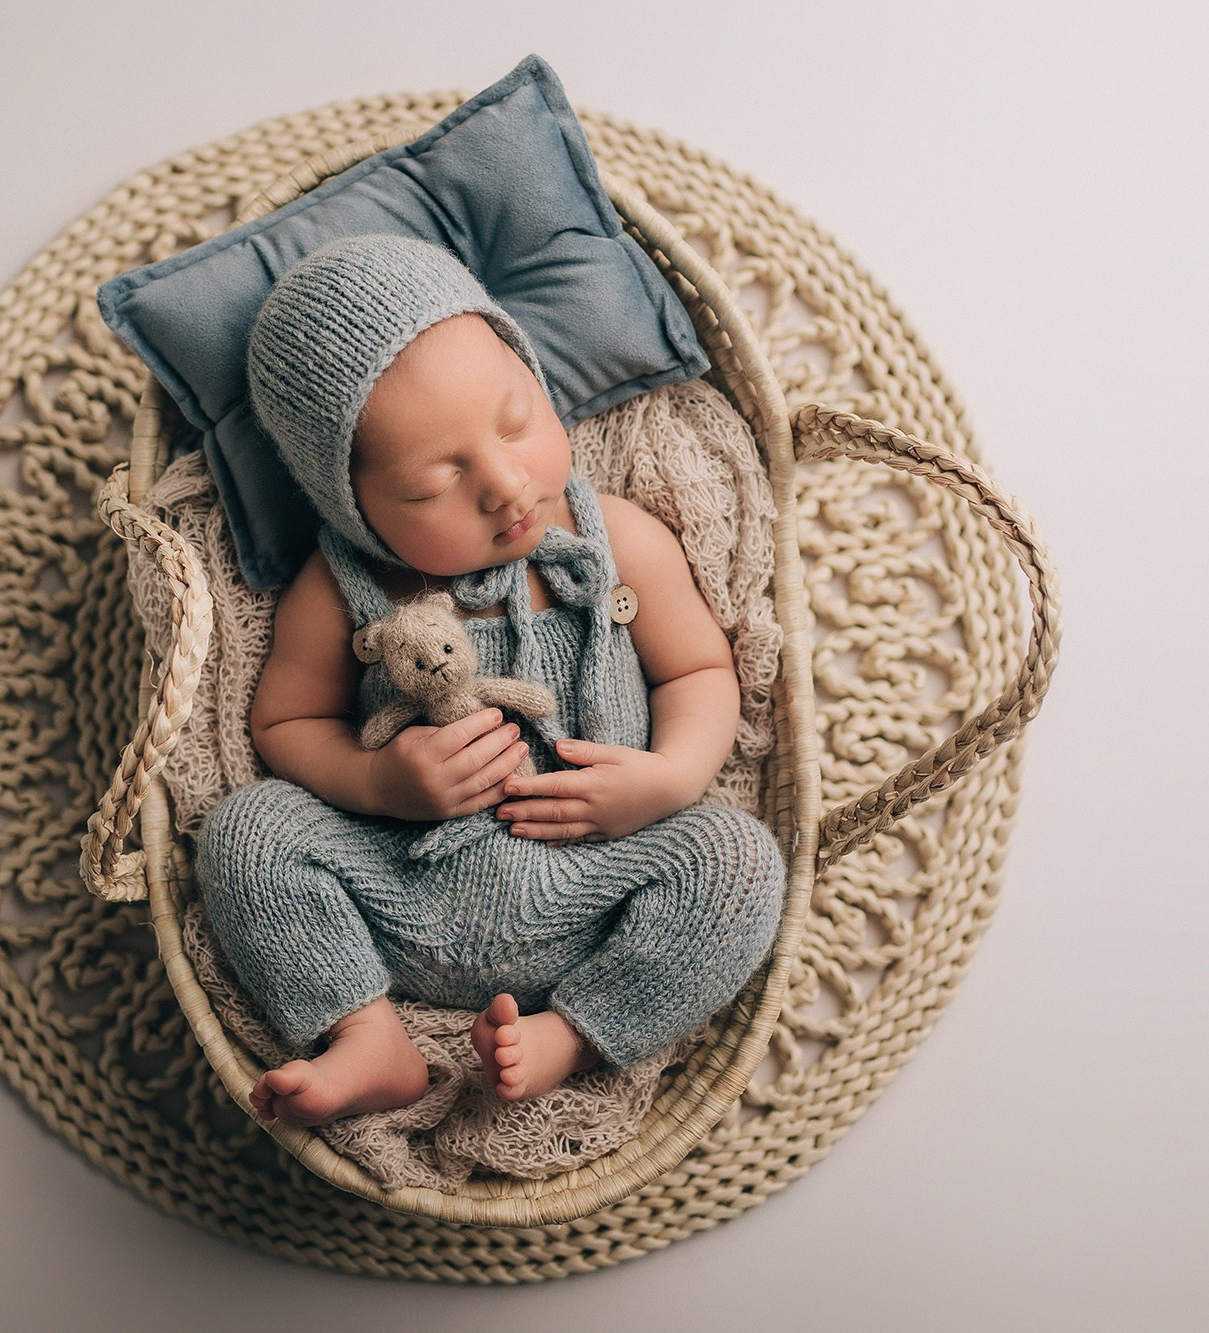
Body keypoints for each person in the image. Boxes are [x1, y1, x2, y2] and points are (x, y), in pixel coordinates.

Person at [195, 235, 786, 1128]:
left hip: (596, 882)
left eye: (517, 423)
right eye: (433, 484)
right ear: (352, 504)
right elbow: (285, 723)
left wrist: (667, 779)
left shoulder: (616, 539)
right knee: (246, 830)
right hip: (402, 884)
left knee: (739, 859)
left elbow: (699, 670)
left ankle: (574, 1032)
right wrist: (377, 783)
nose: (507, 485)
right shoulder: (340, 588)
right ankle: (366, 1029)